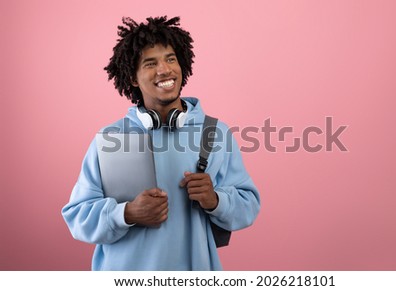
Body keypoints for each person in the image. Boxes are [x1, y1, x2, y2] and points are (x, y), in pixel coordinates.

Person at [61, 16, 260, 271]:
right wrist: (127, 213)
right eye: (150, 63)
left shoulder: (215, 133)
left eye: (170, 59)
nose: (164, 70)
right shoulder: (112, 138)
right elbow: (78, 215)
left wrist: (215, 200)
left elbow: (249, 204)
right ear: (133, 78)